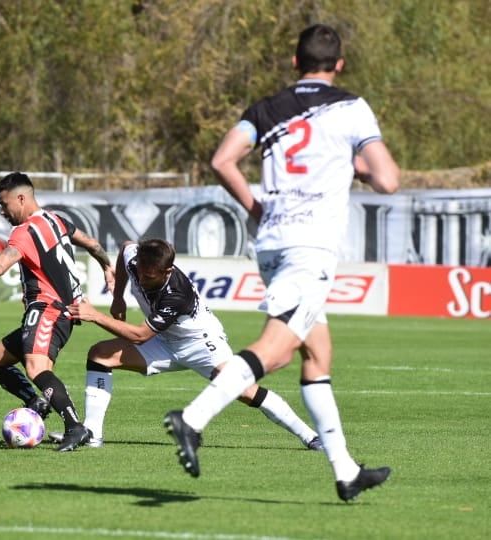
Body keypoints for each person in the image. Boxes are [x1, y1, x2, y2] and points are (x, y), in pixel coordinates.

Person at [162, 24, 400, 502]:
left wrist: (256, 208)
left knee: (316, 355)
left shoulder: (266, 109)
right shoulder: (351, 107)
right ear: (340, 64)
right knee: (276, 350)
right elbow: (388, 179)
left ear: (295, 62)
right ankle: (192, 418)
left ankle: (346, 472)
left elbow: (223, 160)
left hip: (273, 242)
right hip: (310, 246)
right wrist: (356, 169)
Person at [63, 238, 321, 451]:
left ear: (167, 271)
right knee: (100, 354)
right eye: (139, 271)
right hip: (163, 340)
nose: (141, 279)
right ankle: (93, 434)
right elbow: (125, 247)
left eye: (149, 276)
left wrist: (96, 315)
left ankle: (310, 436)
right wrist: (118, 297)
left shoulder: (177, 293)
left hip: (201, 343)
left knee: (244, 391)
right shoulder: (136, 261)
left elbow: (140, 335)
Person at [0, 172, 115, 452]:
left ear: (21, 198)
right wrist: (107, 266)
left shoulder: (25, 231)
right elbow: (91, 243)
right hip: (58, 312)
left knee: (36, 367)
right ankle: (35, 402)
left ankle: (75, 427)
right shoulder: (56, 220)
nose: (3, 212)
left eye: (5, 205)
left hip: (48, 310)